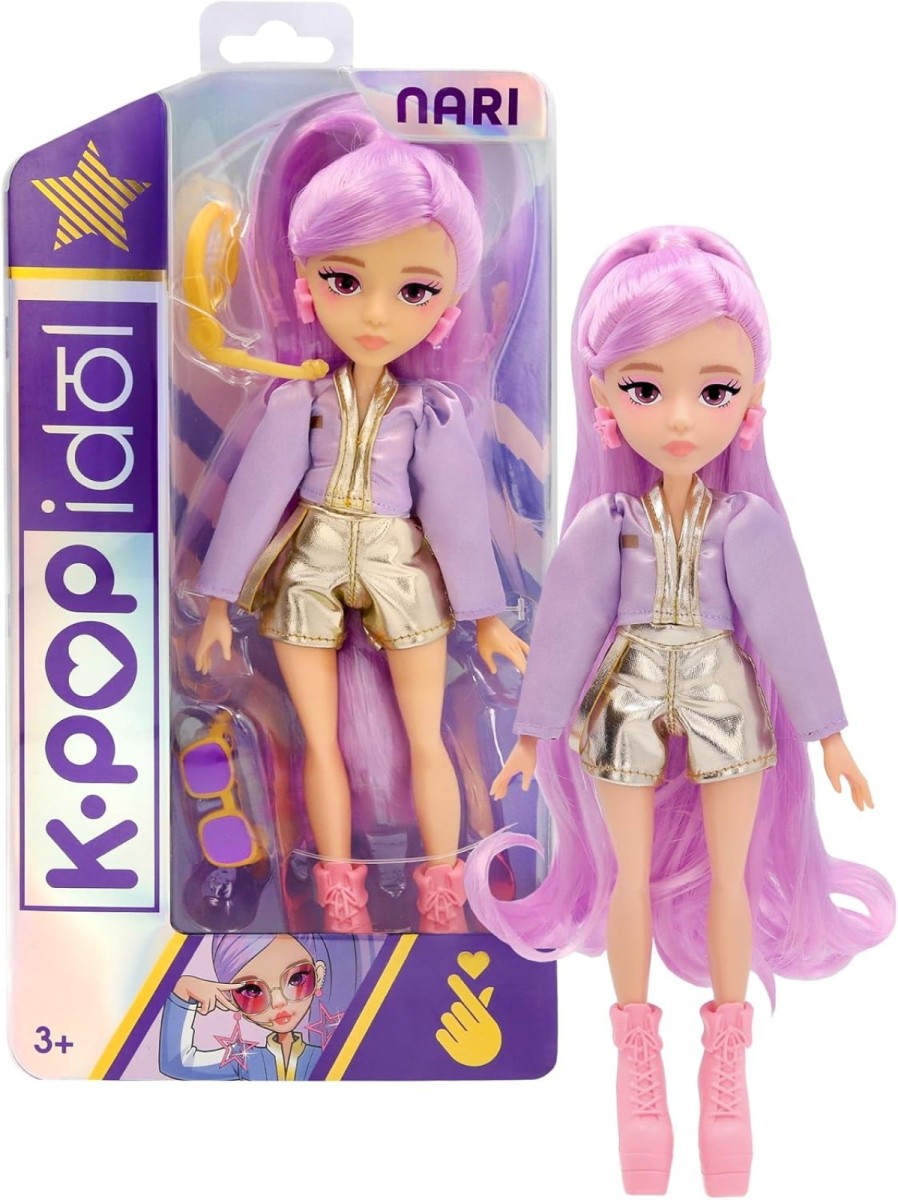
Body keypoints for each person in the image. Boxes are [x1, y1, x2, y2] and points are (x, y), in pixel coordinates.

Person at [465, 228, 894, 1196]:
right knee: (625, 877)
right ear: (604, 398)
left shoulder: (746, 524)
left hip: (722, 689)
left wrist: (827, 734)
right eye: (645, 387)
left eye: (715, 390)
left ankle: (726, 1062)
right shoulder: (605, 525)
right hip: (623, 690)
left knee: (730, 876)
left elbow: (787, 625)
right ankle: (637, 1061)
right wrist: (533, 732)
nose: (680, 419)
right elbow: (566, 628)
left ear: (751, 399)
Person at [188, 98, 528, 935]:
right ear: (306, 282)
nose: (376, 314)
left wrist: (486, 617)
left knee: (424, 735)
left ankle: (443, 881)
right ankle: (336, 887)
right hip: (309, 561)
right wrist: (218, 604)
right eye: (345, 280)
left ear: (447, 303)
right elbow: (256, 501)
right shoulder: (297, 402)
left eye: (414, 290)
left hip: (399, 564)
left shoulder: (429, 411)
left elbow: (454, 518)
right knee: (322, 740)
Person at [160, 934, 327, 1081]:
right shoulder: (246, 1059)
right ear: (231, 999)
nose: (278, 1002)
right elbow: (177, 1064)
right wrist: (184, 989)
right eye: (253, 991)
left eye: (296, 979)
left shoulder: (326, 1055)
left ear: (318, 976)